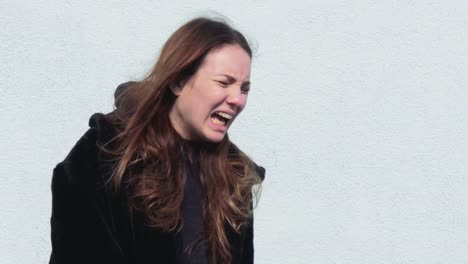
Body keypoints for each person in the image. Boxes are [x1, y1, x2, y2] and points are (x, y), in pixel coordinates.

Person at [49, 17, 265, 264]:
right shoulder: (105, 154)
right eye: (224, 82)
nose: (237, 99)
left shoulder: (235, 177)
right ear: (178, 81)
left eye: (244, 88)